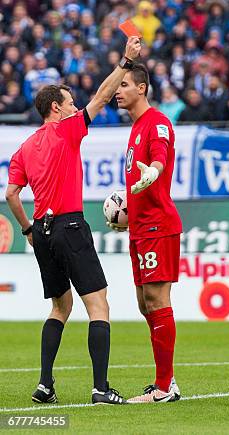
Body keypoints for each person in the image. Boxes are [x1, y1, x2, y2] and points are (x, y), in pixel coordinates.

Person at [4, 36, 142, 406]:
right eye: (69, 103)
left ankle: (45, 385)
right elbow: (100, 97)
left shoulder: (23, 148)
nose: (75, 106)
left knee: (59, 308)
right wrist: (125, 63)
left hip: (43, 233)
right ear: (55, 108)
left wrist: (28, 230)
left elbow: (11, 195)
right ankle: (100, 388)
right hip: (69, 226)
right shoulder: (66, 131)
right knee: (99, 307)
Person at [112, 63, 183, 403]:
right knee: (145, 303)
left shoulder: (157, 123)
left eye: (124, 84)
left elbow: (160, 158)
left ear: (141, 88)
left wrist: (154, 173)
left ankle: (164, 386)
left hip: (158, 225)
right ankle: (167, 380)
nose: (118, 90)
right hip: (140, 228)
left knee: (157, 300)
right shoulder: (136, 127)